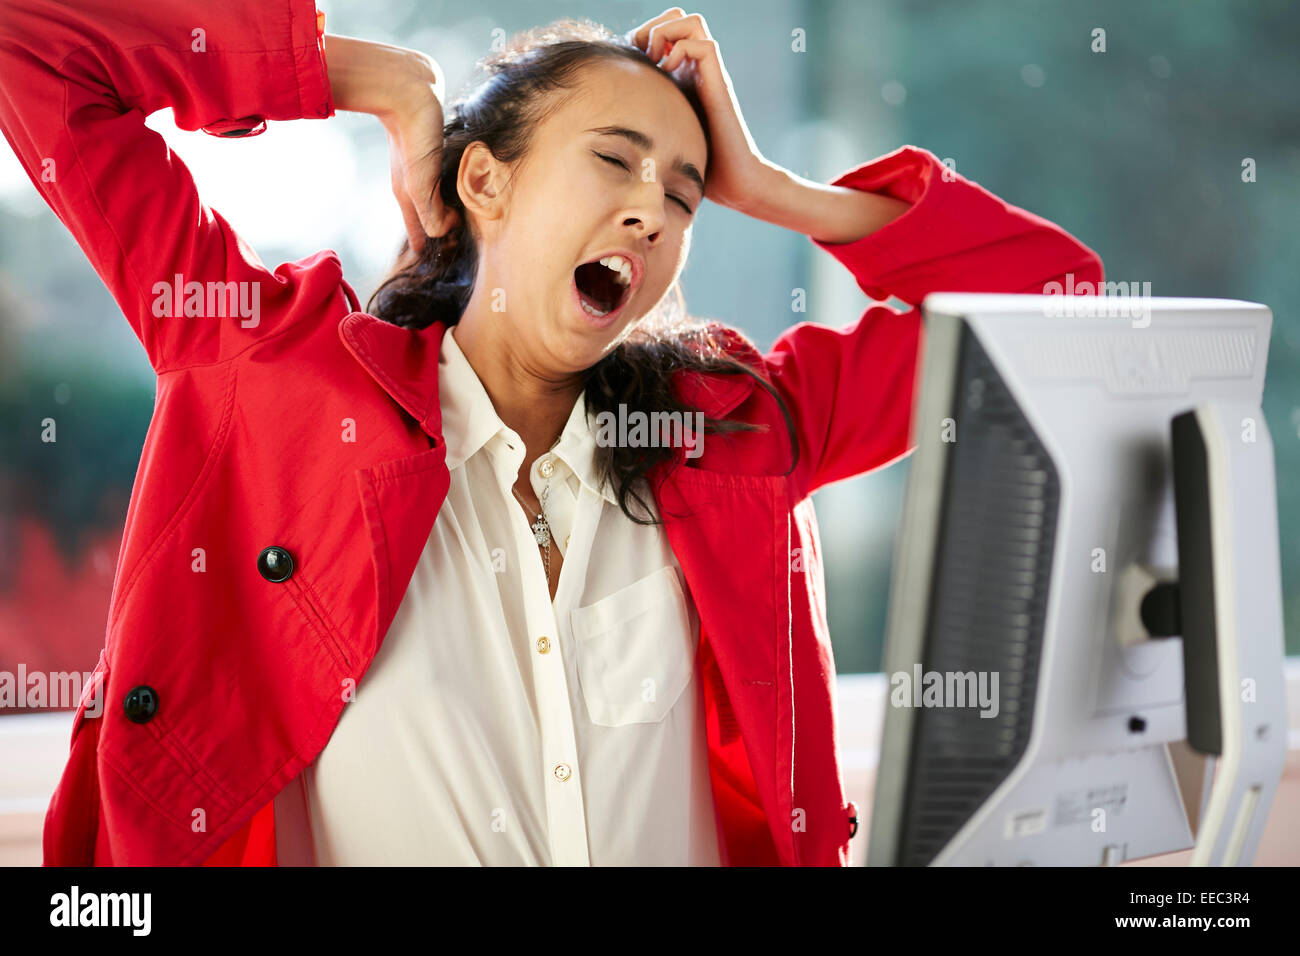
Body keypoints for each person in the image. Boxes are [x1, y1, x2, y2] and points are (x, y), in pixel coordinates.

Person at [0, 0, 1104, 866]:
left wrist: (772, 189)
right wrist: (376, 79)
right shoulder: (270, 376)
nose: (651, 210)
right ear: (482, 179)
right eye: (614, 159)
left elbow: (1052, 300)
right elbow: (31, 44)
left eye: (684, 191)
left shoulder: (734, 430)